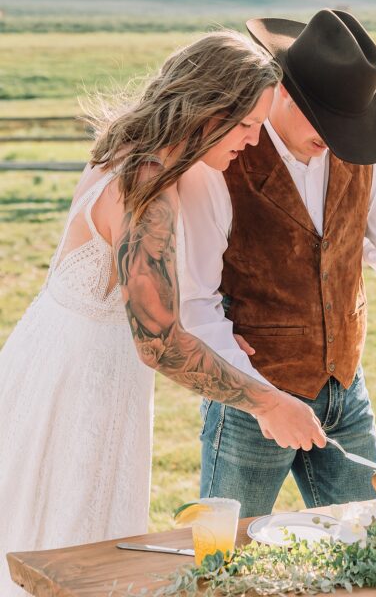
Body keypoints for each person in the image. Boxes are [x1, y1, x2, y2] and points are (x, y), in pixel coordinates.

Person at [0, 30, 326, 595]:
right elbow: (157, 341)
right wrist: (269, 402)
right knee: (71, 548)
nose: (253, 140)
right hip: (77, 382)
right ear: (208, 112)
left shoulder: (136, 155)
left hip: (60, 354)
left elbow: (152, 297)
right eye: (247, 125)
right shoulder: (146, 182)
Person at [178, 9, 376, 517]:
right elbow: (194, 300)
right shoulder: (223, 162)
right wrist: (257, 396)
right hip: (253, 402)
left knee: (371, 544)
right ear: (286, 93)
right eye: (330, 122)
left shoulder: (362, 153)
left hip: (345, 389)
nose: (339, 138)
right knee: (227, 556)